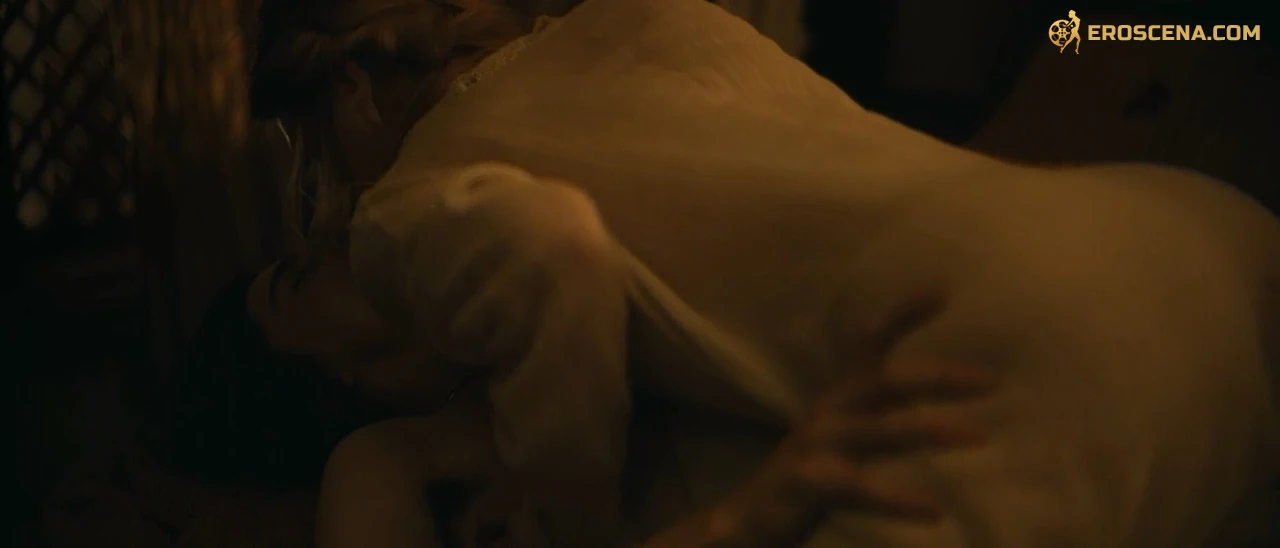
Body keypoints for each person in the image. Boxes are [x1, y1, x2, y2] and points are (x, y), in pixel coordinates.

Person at [247, 0, 1280, 546]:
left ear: (351, 85)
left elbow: (549, 243)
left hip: (1013, 352)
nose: (332, 216)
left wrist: (565, 520)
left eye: (314, 170)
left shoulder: (405, 206)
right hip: (1201, 235)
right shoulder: (640, 17)